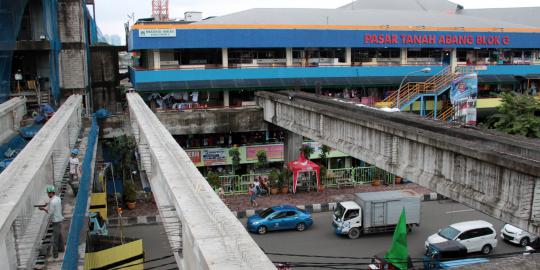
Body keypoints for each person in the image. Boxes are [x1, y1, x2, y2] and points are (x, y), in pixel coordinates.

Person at [39, 185, 64, 258]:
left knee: (55, 239)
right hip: (60, 219)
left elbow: (50, 212)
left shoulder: (52, 202)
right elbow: (51, 203)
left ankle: (55, 254)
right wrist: (47, 204)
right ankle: (62, 249)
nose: (47, 194)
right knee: (59, 235)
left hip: (55, 221)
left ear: (51, 193)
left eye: (48, 193)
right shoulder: (58, 198)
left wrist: (43, 209)